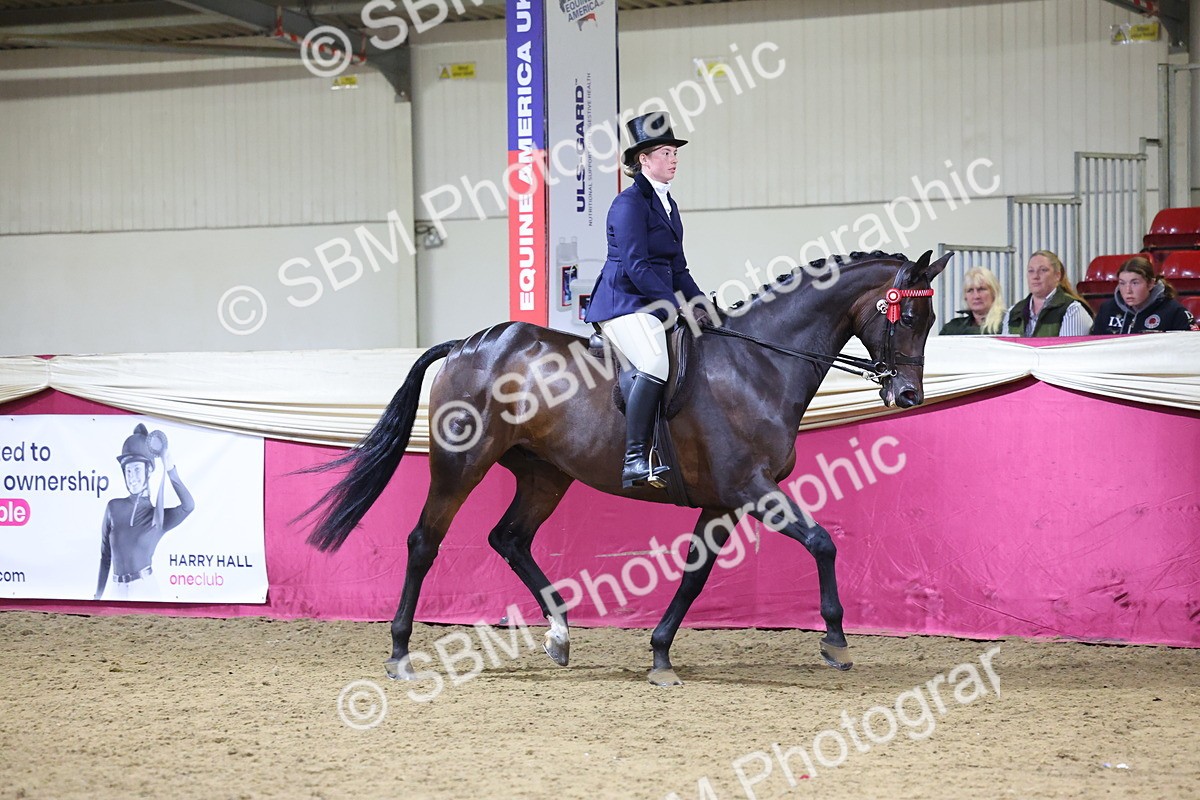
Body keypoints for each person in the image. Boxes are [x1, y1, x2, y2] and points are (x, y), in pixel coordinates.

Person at [584, 111, 709, 489]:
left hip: (653, 301)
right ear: (644, 159)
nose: (674, 159)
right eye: (666, 152)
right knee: (655, 360)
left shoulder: (668, 205)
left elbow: (679, 268)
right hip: (624, 302)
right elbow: (637, 266)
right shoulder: (629, 204)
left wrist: (703, 304)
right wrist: (674, 306)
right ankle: (635, 458)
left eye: (675, 152)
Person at [95, 424, 195, 601]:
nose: (132, 477)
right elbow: (105, 556)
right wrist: (98, 596)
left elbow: (188, 505)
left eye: (137, 470)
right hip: (116, 589)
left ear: (148, 470)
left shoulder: (158, 517)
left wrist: (170, 467)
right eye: (128, 471)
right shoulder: (113, 507)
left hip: (144, 588)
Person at [1089, 255, 1195, 334]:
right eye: (1122, 283)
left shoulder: (1174, 312)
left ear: (1150, 284)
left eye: (1135, 283)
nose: (1128, 290)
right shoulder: (1107, 309)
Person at [1003, 250, 1094, 336]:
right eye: (1031, 271)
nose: (1035, 276)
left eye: (1043, 270)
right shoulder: (1013, 312)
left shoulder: (1072, 310)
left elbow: (1067, 351)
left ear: (1057, 275)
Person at [939, 266, 1005, 335]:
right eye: (970, 290)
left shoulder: (1008, 325)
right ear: (965, 296)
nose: (976, 296)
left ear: (994, 293)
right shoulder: (951, 329)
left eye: (981, 289)